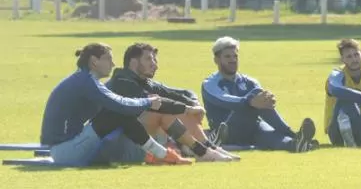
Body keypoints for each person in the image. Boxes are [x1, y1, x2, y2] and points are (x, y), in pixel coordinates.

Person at [40, 43, 192, 165]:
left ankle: (160, 153)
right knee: (118, 113)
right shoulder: (86, 82)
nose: (113, 64)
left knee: (116, 115)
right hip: (66, 152)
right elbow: (120, 104)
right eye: (108, 59)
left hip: (63, 148)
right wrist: (148, 102)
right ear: (94, 61)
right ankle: (162, 154)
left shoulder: (82, 79)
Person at [101, 43, 238, 162]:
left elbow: (181, 94)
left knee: (177, 108)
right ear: (133, 63)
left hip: (144, 142)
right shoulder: (121, 82)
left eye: (154, 59)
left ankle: (208, 147)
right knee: (165, 111)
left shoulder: (144, 82)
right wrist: (187, 108)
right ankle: (201, 151)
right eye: (149, 59)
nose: (155, 64)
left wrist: (194, 105)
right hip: (119, 148)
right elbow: (155, 104)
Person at [202, 36, 316, 153]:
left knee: (272, 135)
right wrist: (250, 101)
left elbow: (261, 102)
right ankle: (294, 135)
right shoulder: (210, 83)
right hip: (226, 131)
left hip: (253, 127)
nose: (233, 60)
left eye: (235, 56)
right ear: (216, 60)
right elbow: (225, 100)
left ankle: (297, 143)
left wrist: (266, 99)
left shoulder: (249, 81)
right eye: (227, 56)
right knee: (255, 97)